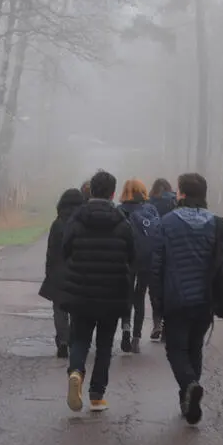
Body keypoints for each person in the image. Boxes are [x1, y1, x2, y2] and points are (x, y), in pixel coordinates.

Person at [150, 173, 223, 425]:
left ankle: (190, 386)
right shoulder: (218, 224)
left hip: (176, 298)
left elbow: (156, 264)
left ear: (180, 193)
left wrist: (157, 301)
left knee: (176, 349)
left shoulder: (166, 223)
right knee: (194, 348)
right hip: (207, 299)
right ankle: (188, 400)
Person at [61, 170, 135, 412]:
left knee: (80, 338)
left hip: (81, 291)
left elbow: (65, 249)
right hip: (112, 294)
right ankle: (96, 395)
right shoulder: (121, 220)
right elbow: (132, 256)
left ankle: (76, 372)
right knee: (104, 345)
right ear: (113, 193)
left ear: (91, 191)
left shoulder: (77, 218)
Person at [39, 188, 85, 358]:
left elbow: (51, 251)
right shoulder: (82, 222)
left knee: (59, 309)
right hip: (78, 272)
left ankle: (62, 340)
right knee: (77, 309)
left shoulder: (57, 223)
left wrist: (49, 272)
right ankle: (73, 339)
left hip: (59, 271)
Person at [118, 179, 161, 354]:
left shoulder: (119, 211)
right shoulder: (150, 210)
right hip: (147, 259)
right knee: (140, 295)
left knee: (126, 296)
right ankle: (137, 337)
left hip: (126, 260)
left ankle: (126, 331)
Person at [148, 179, 176, 341]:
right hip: (172, 250)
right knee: (170, 288)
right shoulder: (175, 201)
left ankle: (157, 323)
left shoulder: (150, 202)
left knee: (155, 290)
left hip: (154, 250)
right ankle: (167, 327)